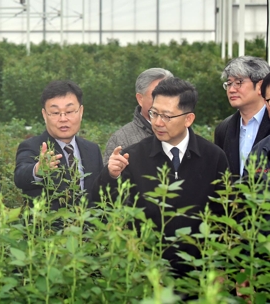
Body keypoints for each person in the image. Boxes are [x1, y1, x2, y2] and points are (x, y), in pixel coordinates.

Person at [95, 77, 229, 278]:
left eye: (166, 116)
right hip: (146, 273)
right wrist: (110, 176)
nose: (157, 122)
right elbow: (103, 207)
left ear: (188, 119)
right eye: (154, 113)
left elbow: (225, 216)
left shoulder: (213, 157)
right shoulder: (133, 156)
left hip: (199, 274)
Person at [14, 80, 104, 210]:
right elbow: (21, 176)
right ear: (45, 115)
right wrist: (37, 170)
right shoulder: (31, 147)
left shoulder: (92, 149)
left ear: (81, 111)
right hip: (49, 227)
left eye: (69, 111)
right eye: (55, 113)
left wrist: (112, 175)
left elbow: (98, 194)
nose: (63, 119)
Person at [103, 68, 173, 164]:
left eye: (169, 95)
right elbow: (108, 177)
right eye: (156, 96)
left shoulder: (183, 132)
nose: (164, 101)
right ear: (140, 99)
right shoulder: (121, 140)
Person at [215, 56, 270, 179]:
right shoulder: (223, 129)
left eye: (239, 82)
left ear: (261, 86)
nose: (232, 89)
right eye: (229, 83)